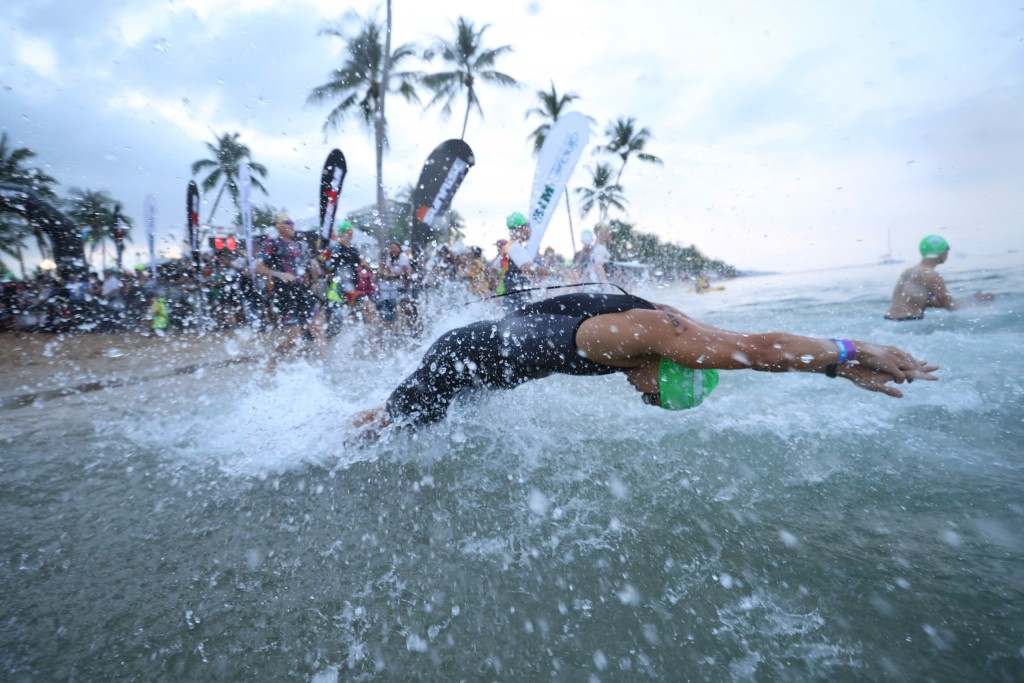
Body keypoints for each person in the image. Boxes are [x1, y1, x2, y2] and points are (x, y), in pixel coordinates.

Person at [351, 290, 938, 434]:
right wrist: (856, 349)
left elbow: (741, 338)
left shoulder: (665, 327)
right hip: (458, 360)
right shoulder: (635, 338)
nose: (643, 395)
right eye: (655, 394)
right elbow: (758, 352)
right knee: (390, 429)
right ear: (669, 367)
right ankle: (327, 443)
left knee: (435, 429)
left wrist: (833, 371)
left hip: (484, 362)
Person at [254, 214, 327, 367]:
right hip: (284, 293)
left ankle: (325, 367)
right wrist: (279, 274)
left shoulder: (299, 244)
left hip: (302, 290)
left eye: (293, 222)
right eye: (288, 223)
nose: (292, 225)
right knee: (294, 335)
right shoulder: (272, 243)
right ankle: (273, 360)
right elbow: (257, 267)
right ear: (279, 226)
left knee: (318, 326)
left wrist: (314, 281)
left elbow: (310, 264)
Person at [885, 235, 995, 321]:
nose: (948, 252)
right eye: (947, 249)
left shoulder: (909, 271)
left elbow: (917, 301)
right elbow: (951, 307)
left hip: (890, 321)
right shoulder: (931, 274)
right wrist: (976, 301)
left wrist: (970, 298)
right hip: (910, 323)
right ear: (941, 251)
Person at [496, 211, 546, 309]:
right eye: (528, 226)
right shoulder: (513, 246)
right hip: (515, 300)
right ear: (520, 228)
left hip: (511, 298)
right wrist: (548, 272)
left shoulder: (509, 247)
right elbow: (526, 268)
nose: (530, 230)